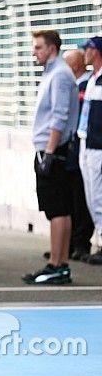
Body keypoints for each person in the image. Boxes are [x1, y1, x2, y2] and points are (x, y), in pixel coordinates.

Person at [23, 30, 79, 284]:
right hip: (52, 149)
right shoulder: (53, 73)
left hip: (53, 150)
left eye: (38, 47)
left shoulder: (59, 75)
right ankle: (60, 262)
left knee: (57, 209)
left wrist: (49, 152)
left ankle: (57, 263)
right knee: (60, 209)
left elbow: (59, 115)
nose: (34, 52)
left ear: (52, 49)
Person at [63, 49, 94, 261]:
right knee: (70, 198)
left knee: (82, 199)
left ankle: (81, 243)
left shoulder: (88, 85)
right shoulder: (75, 85)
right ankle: (71, 243)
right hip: (71, 150)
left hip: (85, 149)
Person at [77, 36, 102, 265]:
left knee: (99, 195)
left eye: (88, 49)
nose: (84, 52)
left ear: (96, 52)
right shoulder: (91, 80)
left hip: (98, 145)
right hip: (86, 141)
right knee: (91, 196)